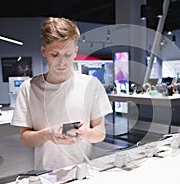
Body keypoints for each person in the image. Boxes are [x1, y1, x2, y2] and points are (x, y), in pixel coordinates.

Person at [11, 17, 113, 170]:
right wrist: (48, 135)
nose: (62, 62)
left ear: (75, 52)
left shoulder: (91, 85)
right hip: (45, 173)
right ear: (44, 52)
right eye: (55, 54)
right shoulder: (29, 88)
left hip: (83, 172)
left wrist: (85, 133)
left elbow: (100, 133)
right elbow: (25, 138)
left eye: (68, 54)